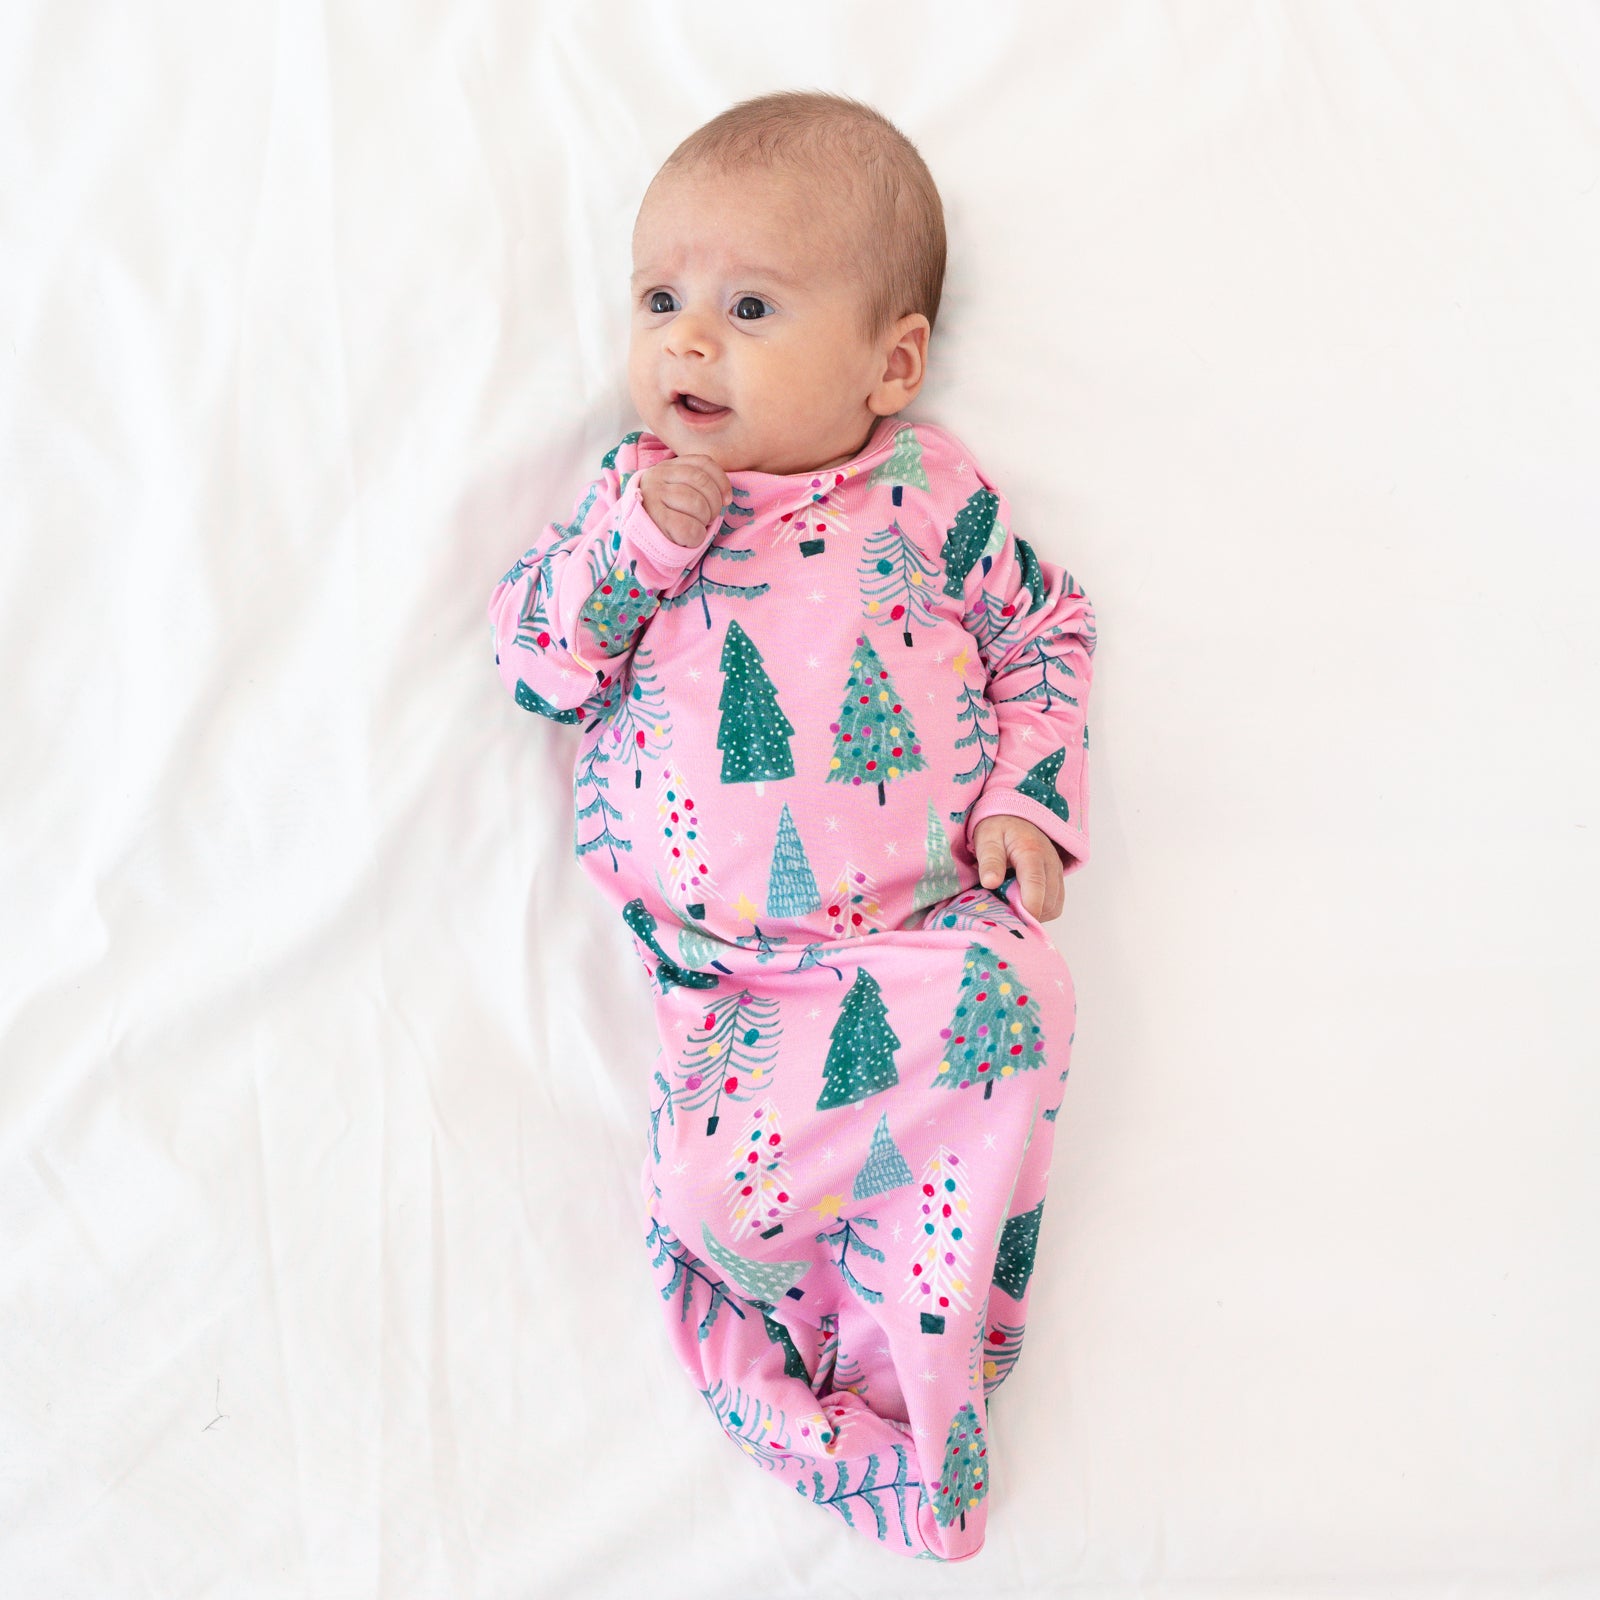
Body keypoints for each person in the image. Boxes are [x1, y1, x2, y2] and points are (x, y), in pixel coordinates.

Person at [487, 89, 1097, 1562]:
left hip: (921, 937)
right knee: (706, 1198)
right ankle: (816, 1410)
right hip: (732, 982)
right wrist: (644, 544)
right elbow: (536, 667)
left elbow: (1047, 631)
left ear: (892, 366)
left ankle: (925, 1387)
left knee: (1019, 996)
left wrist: (1030, 798)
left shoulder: (929, 491)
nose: (688, 339)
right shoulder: (634, 505)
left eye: (750, 306)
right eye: (661, 300)